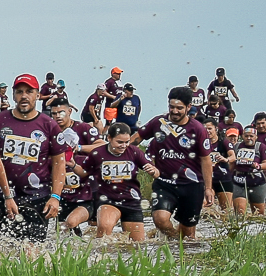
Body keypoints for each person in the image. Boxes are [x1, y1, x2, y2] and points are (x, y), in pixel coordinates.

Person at [0, 75, 67, 246]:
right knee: (6, 248)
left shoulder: (49, 125)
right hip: (5, 196)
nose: (24, 96)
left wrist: (56, 196)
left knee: (32, 250)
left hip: (38, 196)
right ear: (13, 95)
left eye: (29, 92)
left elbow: (59, 163)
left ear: (38, 95)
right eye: (19, 92)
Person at [141, 88, 214, 242]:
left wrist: (208, 188)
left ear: (188, 107)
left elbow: (206, 160)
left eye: (179, 108)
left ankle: (181, 250)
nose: (174, 111)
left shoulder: (198, 129)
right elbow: (135, 139)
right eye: (171, 107)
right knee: (160, 220)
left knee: (188, 235)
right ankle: (174, 241)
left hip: (192, 185)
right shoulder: (158, 122)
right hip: (164, 182)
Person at [81, 121, 150, 241]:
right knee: (104, 231)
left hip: (131, 201)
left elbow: (155, 171)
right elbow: (84, 172)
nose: (124, 145)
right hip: (108, 199)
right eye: (119, 142)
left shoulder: (134, 152)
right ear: (109, 138)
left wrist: (153, 171)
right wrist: (72, 164)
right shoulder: (97, 153)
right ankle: (100, 252)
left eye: (126, 142)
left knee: (137, 244)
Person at [53, 97, 105, 235]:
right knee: (62, 231)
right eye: (54, 113)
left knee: (91, 225)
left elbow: (102, 146)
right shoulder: (50, 131)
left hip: (87, 188)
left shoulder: (83, 128)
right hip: (64, 190)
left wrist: (79, 148)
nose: (57, 116)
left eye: (61, 112)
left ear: (69, 111)